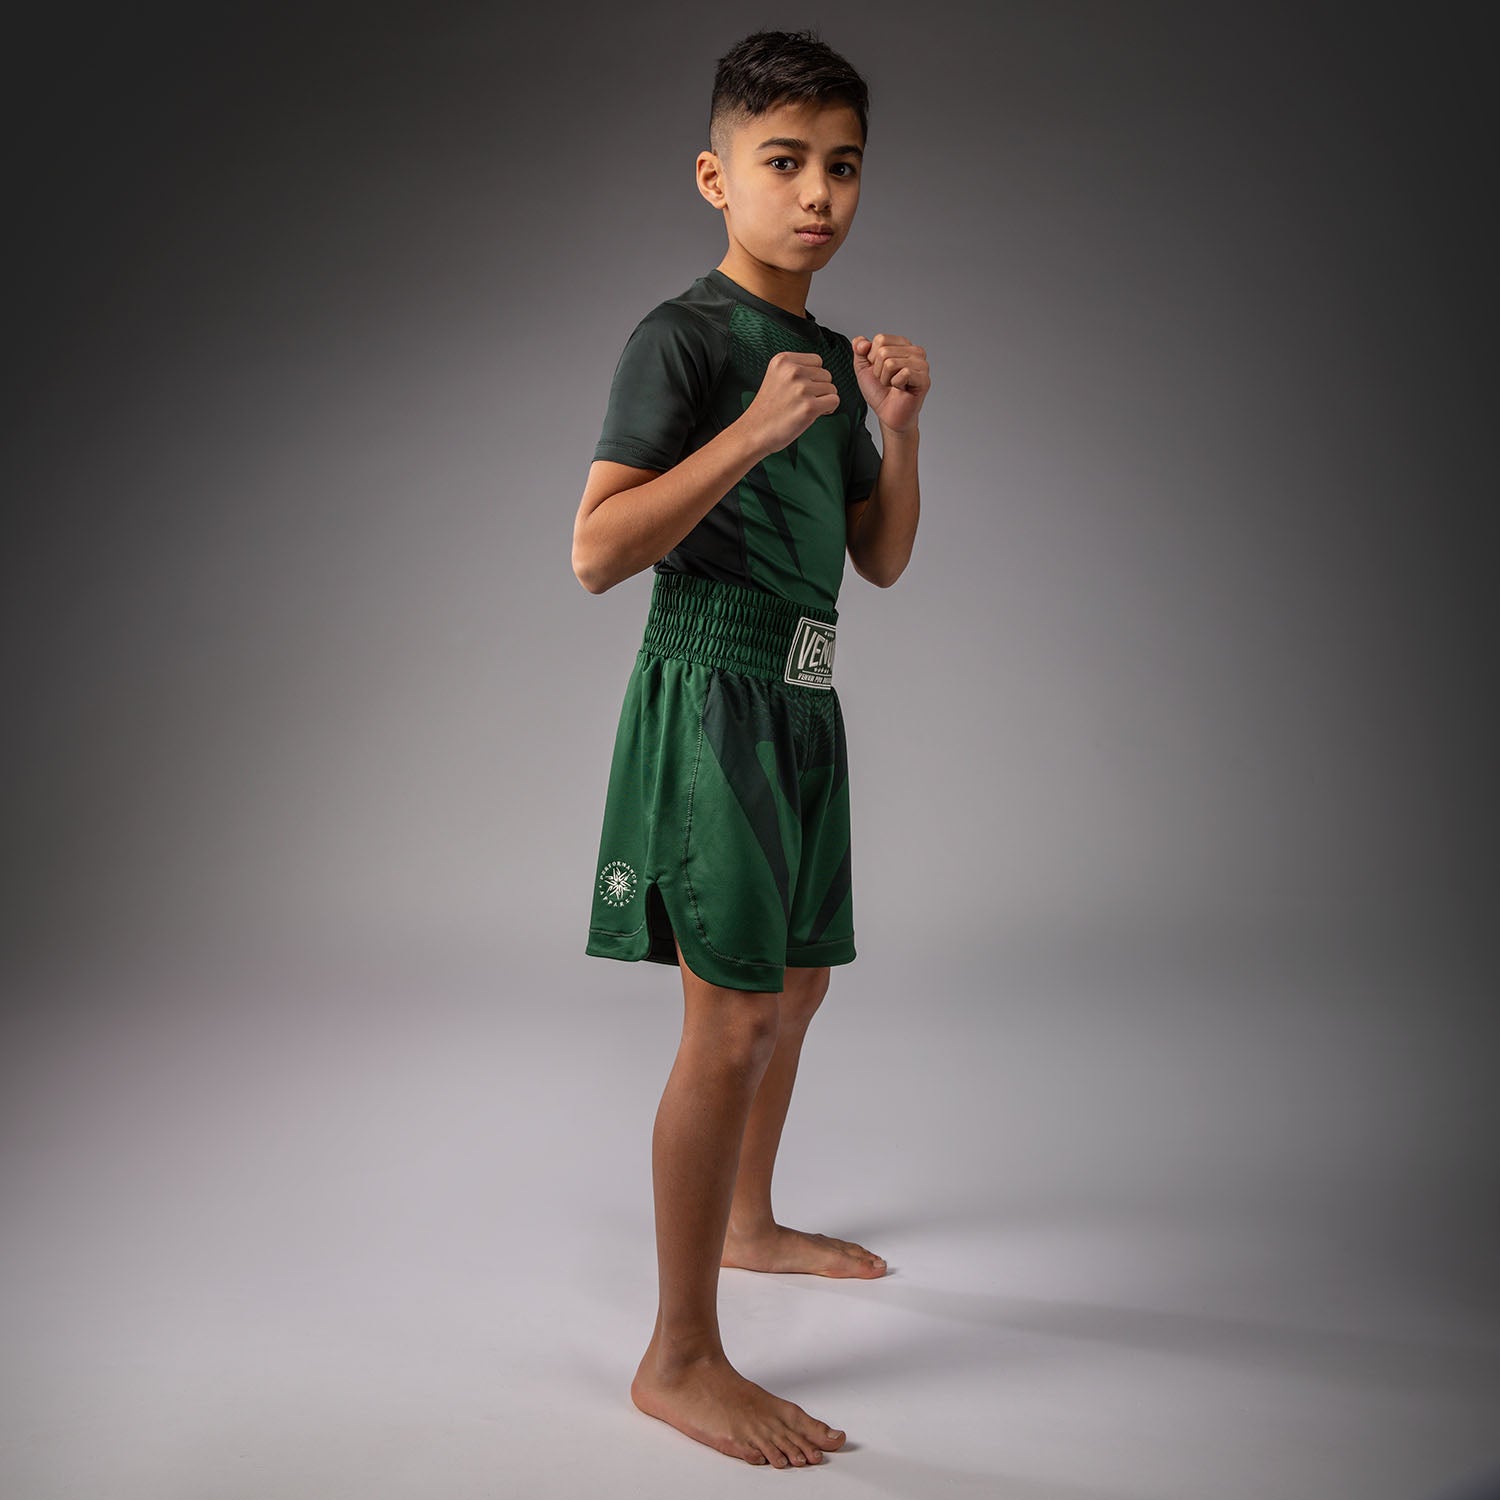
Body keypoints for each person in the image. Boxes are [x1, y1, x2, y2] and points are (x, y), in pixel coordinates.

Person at [571, 29, 929, 1470]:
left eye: (843, 165)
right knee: (726, 1023)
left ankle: (747, 1223)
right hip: (711, 692)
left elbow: (880, 561)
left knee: (799, 983)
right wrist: (748, 434)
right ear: (719, 178)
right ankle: (677, 1358)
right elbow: (597, 550)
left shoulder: (833, 362)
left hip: (804, 697)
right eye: (785, 162)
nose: (819, 193)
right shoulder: (684, 339)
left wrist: (898, 429)